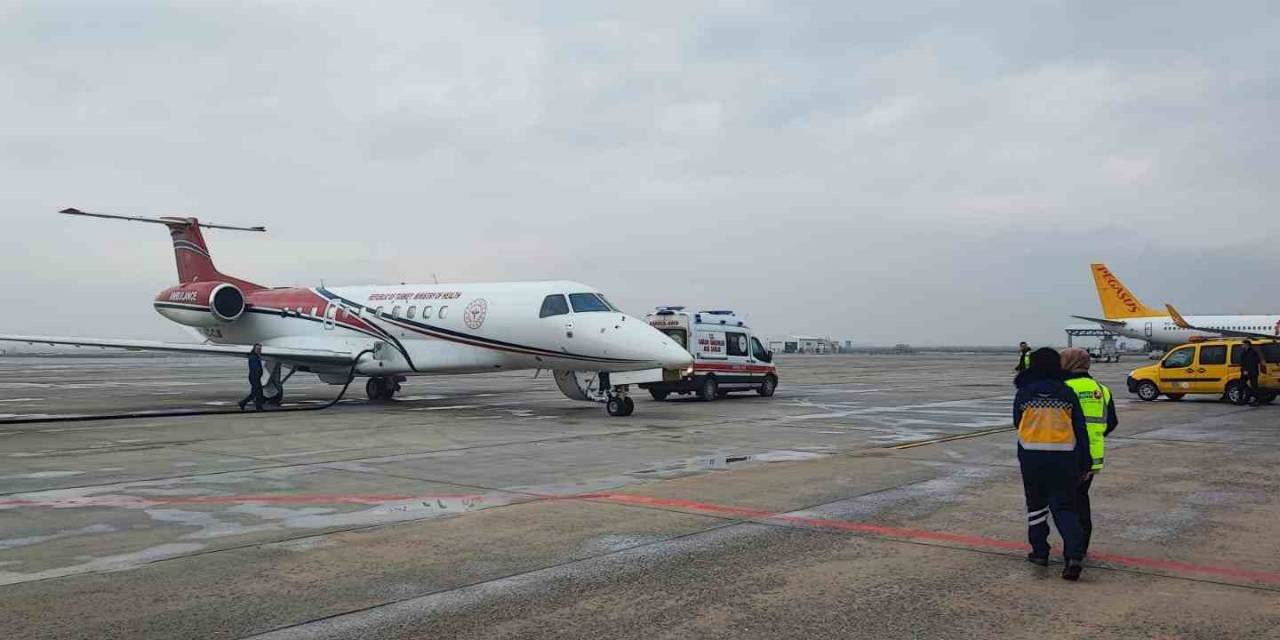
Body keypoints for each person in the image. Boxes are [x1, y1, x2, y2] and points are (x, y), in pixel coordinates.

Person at [1014, 347, 1092, 581]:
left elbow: (1016, 421)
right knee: (1065, 507)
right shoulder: (1067, 393)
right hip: (1064, 458)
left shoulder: (1025, 393)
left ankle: (1040, 552)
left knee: (1036, 505)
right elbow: (1080, 429)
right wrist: (1085, 460)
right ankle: (1074, 556)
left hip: (1032, 457)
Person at [1060, 347, 1118, 557]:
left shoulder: (1063, 388)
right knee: (1081, 500)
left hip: (1066, 455)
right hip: (1092, 458)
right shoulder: (1102, 389)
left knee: (1065, 504)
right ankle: (1082, 546)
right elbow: (1111, 422)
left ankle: (1073, 551)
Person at [1238, 340, 1267, 406]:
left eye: (1243, 344)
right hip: (1244, 372)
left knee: (1254, 387)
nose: (1242, 345)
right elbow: (1242, 362)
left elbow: (1253, 363)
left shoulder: (1253, 352)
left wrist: (1247, 371)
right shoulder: (1243, 352)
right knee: (1240, 386)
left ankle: (1256, 401)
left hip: (1252, 372)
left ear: (1247, 344)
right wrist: (1243, 370)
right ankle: (1241, 400)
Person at [238, 344, 266, 411]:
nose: (259, 350)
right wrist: (258, 374)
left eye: (260, 349)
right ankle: (259, 407)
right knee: (259, 392)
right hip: (254, 377)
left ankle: (242, 403)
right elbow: (254, 368)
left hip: (255, 377)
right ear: (254, 349)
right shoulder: (253, 356)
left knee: (254, 393)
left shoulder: (255, 356)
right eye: (258, 349)